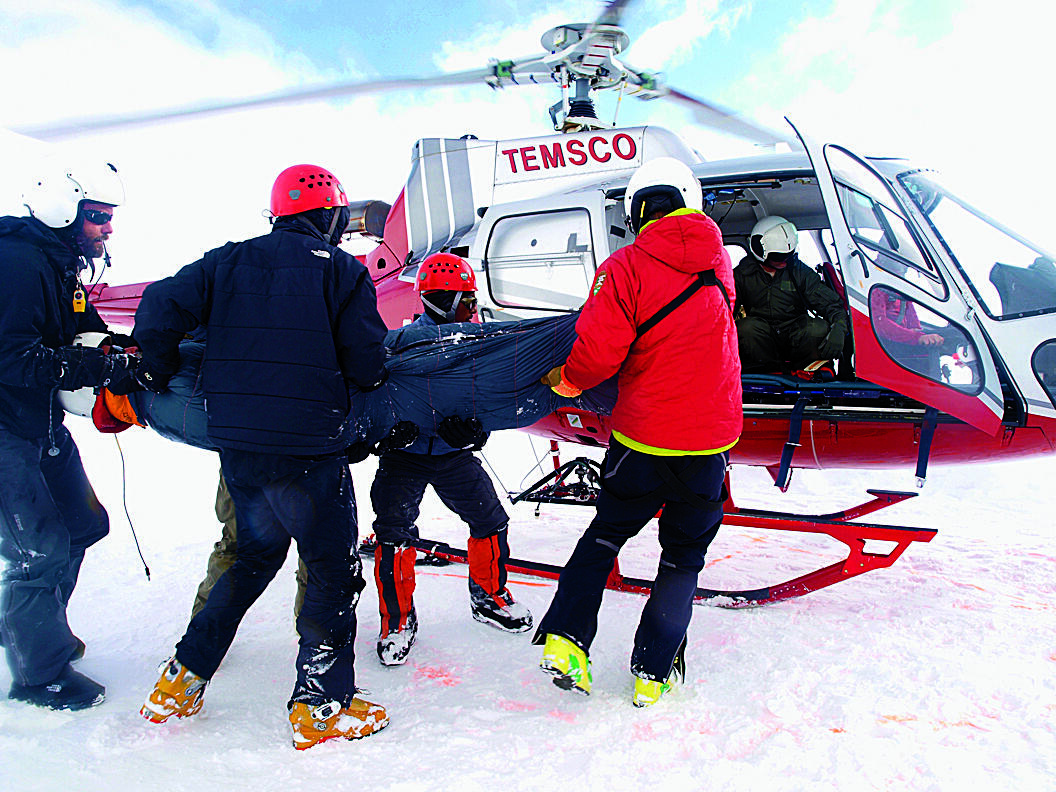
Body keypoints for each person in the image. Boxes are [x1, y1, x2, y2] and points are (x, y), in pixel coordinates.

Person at [134, 164, 393, 750]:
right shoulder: (344, 272)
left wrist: (157, 365)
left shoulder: (226, 260)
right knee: (328, 568)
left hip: (240, 449)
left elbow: (158, 304)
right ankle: (321, 707)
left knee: (251, 559)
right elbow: (367, 364)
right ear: (329, 216)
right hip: (310, 451)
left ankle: (181, 682)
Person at [533, 157, 742, 707]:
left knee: (604, 535)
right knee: (682, 558)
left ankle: (566, 645)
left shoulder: (623, 264)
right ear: (688, 198)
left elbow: (599, 352)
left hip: (643, 440)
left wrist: (568, 380)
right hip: (709, 446)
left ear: (635, 210)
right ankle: (652, 672)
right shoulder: (720, 264)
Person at [0, 157, 139, 711]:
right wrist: (88, 368)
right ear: (64, 211)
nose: (108, 227)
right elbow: (13, 357)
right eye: (99, 216)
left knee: (83, 524)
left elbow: (77, 323)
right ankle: (40, 674)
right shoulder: (16, 263)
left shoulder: (59, 264)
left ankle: (33, 627)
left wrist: (111, 348)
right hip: (5, 429)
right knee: (41, 550)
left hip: (39, 423)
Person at [371, 252, 533, 667]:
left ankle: (489, 596)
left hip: (451, 456)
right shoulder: (400, 347)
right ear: (443, 299)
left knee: (491, 521)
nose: (473, 309)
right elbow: (372, 397)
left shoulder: (477, 345)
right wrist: (386, 433)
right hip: (402, 456)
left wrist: (477, 433)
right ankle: (397, 621)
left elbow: (489, 397)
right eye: (467, 300)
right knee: (393, 533)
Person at [733, 215, 847, 377]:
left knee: (817, 328)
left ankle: (810, 376)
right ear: (760, 251)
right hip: (763, 340)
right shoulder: (742, 275)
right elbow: (724, 313)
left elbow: (832, 305)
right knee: (746, 328)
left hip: (796, 335)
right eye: (778, 257)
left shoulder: (799, 272)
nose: (784, 262)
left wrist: (839, 329)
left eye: (789, 255)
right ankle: (766, 376)